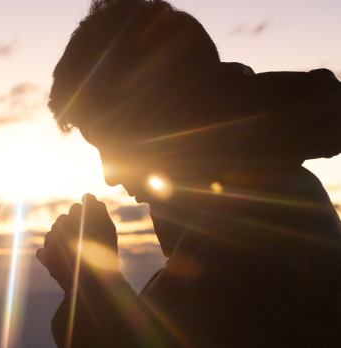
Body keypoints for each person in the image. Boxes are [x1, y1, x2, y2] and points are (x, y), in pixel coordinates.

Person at [35, 0, 341, 347]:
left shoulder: (262, 230)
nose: (110, 176)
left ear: (166, 119)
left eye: (116, 145)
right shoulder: (229, 220)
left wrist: (90, 284)